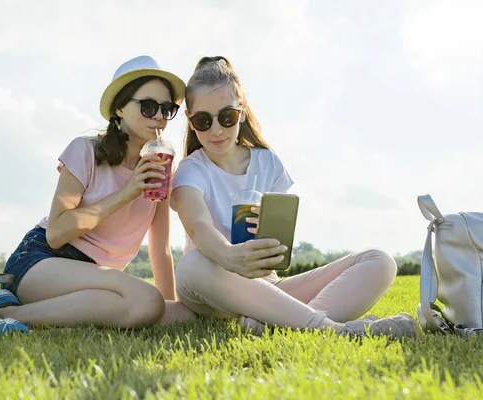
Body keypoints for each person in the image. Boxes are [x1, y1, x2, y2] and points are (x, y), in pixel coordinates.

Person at [170, 56, 422, 339]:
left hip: (266, 287)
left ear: (241, 113)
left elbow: (278, 245)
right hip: (211, 287)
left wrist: (268, 254)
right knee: (192, 264)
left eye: (226, 117)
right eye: (203, 120)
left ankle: (276, 321)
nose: (216, 129)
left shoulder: (269, 164)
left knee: (381, 262)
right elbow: (199, 227)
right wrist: (230, 257)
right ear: (191, 123)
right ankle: (334, 330)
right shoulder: (191, 170)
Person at [0, 55, 195, 334]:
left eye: (167, 109)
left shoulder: (161, 165)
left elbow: (160, 248)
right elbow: (56, 233)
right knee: (146, 300)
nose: (159, 117)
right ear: (119, 108)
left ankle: (31, 316)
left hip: (99, 277)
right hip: (44, 261)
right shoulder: (86, 151)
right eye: (149, 106)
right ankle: (3, 313)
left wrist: (165, 307)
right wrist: (128, 192)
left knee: (181, 313)